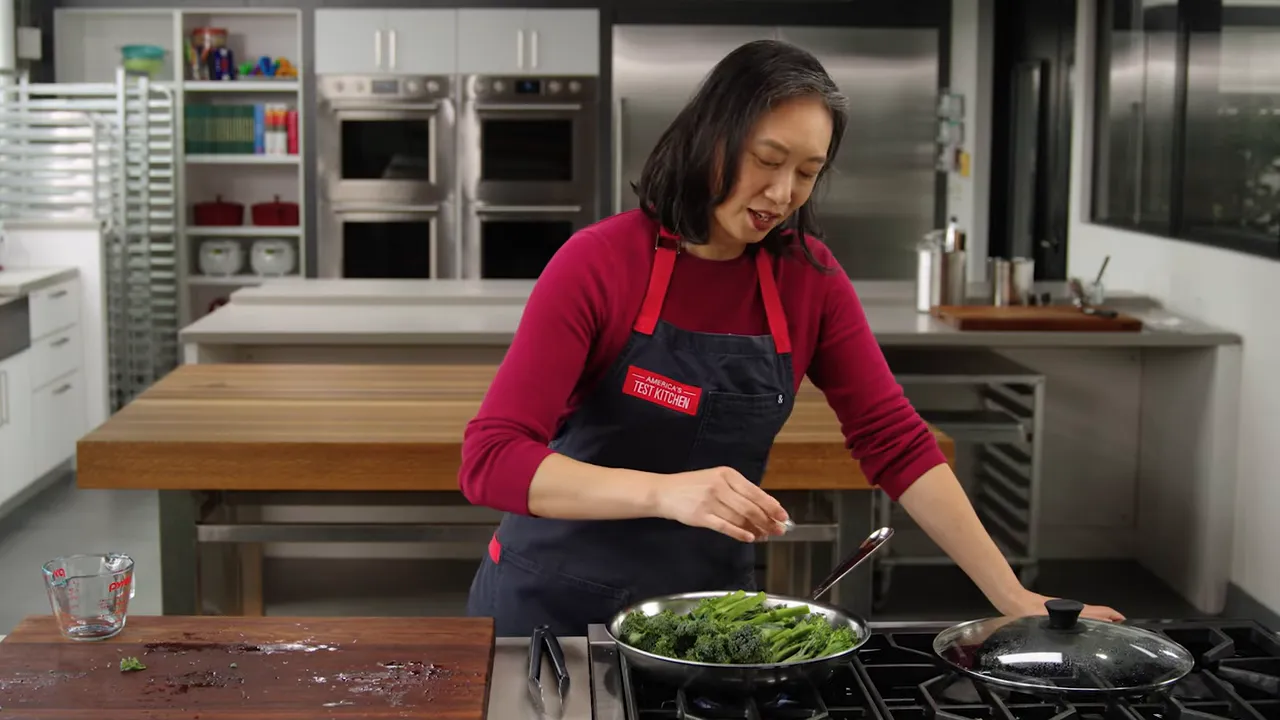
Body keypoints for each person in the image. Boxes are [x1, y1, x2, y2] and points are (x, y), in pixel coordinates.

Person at [461, 39, 1124, 638]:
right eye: (768, 160)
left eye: (806, 173)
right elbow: (491, 459)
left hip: (707, 622)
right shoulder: (599, 262)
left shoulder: (809, 279)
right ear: (709, 139)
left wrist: (1010, 594)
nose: (782, 194)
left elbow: (894, 439)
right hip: (550, 614)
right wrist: (665, 492)